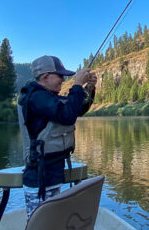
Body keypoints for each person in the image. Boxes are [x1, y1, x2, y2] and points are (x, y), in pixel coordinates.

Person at [17, 55, 96, 215]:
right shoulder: (36, 97)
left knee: (51, 227)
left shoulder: (48, 97)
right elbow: (67, 116)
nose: (62, 79)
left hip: (52, 175)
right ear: (46, 76)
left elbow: (76, 109)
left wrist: (89, 89)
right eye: (60, 75)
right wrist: (77, 84)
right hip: (39, 181)